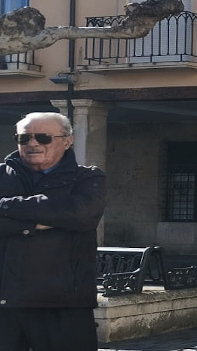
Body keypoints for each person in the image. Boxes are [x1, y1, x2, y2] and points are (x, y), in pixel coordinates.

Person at [0, 112, 107, 351]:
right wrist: (36, 222)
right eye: (24, 138)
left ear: (67, 140)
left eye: (43, 137)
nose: (33, 143)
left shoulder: (87, 177)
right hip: (5, 303)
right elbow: (65, 214)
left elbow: (81, 215)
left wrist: (5, 205)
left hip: (63, 304)